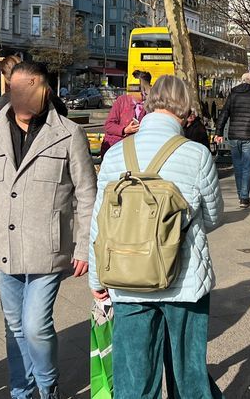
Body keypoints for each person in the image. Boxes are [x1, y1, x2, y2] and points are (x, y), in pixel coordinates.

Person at [0, 61, 97, 399]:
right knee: (15, 328)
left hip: (48, 247)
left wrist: (83, 247)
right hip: (3, 245)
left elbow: (86, 194)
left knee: (36, 327)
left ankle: (47, 385)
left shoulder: (68, 133)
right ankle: (21, 391)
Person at [90, 75, 224, 398]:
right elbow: (215, 217)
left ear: (149, 105)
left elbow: (99, 225)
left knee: (135, 381)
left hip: (128, 280)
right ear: (186, 110)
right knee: (188, 376)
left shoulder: (115, 156)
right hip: (185, 284)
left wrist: (97, 280)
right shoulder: (197, 155)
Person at [215, 72, 250, 208]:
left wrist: (218, 132)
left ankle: (240, 194)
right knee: (247, 167)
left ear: (242, 81)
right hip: (249, 136)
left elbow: (224, 113)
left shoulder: (233, 94)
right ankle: (244, 198)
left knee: (238, 167)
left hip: (234, 135)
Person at [102, 70, 152, 156]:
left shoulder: (152, 105)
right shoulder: (121, 101)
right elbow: (109, 125)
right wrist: (124, 130)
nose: (140, 93)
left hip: (140, 150)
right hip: (120, 150)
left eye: (143, 89)